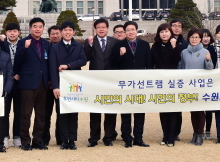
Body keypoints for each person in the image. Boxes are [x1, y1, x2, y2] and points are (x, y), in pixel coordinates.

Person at [48, 21, 87, 150]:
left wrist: (69, 65)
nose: (68, 32)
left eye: (70, 30)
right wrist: (55, 87)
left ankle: (72, 140)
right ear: (61, 32)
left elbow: (83, 60)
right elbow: (52, 68)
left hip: (75, 85)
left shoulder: (78, 45)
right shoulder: (55, 48)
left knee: (73, 113)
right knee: (62, 113)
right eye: (65, 30)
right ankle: (64, 140)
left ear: (74, 32)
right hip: (60, 85)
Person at [13, 18, 51, 151]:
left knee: (41, 114)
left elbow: (48, 63)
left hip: (43, 83)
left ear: (43, 29)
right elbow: (17, 61)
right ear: (30, 28)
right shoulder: (23, 42)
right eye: (35, 26)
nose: (38, 29)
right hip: (27, 83)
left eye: (40, 26)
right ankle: (25, 141)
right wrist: (25, 48)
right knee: (26, 114)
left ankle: (38, 140)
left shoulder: (46, 43)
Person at [114, 21, 152, 148]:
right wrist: (119, 55)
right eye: (128, 30)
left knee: (140, 112)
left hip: (140, 83)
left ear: (136, 30)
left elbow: (149, 65)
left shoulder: (145, 45)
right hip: (125, 84)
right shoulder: (118, 45)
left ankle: (139, 138)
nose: (130, 32)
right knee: (125, 112)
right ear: (124, 32)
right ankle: (127, 138)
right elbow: (114, 65)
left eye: (133, 29)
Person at [84, 18, 118, 147]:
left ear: (108, 28)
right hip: (95, 81)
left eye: (103, 27)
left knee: (110, 110)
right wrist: (90, 45)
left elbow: (118, 60)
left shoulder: (114, 41)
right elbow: (85, 58)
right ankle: (94, 138)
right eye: (98, 27)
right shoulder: (90, 41)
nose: (101, 29)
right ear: (95, 29)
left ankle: (108, 137)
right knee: (95, 110)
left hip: (110, 81)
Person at [178, 27, 213, 146]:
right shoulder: (184, 52)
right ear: (188, 38)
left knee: (200, 110)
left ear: (201, 39)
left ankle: (200, 135)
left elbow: (210, 69)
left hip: (201, 86)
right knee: (193, 111)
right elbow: (181, 67)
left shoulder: (205, 52)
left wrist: (208, 60)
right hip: (188, 86)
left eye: (197, 37)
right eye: (192, 37)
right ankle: (194, 134)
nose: (194, 39)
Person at [150, 23, 182, 146]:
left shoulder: (175, 45)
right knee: (163, 110)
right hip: (159, 82)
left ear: (171, 33)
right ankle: (164, 135)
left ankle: (171, 137)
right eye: (162, 32)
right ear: (159, 33)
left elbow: (176, 60)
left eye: (167, 31)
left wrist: (174, 46)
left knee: (172, 110)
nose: (164, 34)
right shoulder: (155, 46)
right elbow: (152, 63)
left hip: (172, 82)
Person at [0, 22, 22, 149]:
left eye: (14, 31)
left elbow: (27, 61)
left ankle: (17, 137)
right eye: (9, 31)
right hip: (5, 82)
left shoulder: (24, 44)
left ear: (18, 32)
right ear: (6, 33)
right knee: (5, 111)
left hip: (20, 82)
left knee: (19, 111)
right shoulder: (1, 45)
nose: (12, 33)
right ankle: (5, 136)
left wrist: (20, 73)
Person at [42, 25, 61, 147]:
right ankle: (44, 138)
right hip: (47, 86)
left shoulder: (64, 48)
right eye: (52, 34)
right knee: (45, 114)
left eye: (57, 33)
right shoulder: (45, 47)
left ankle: (60, 138)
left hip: (62, 85)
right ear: (49, 35)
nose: (55, 36)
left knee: (61, 113)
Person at [170, 19, 188, 141]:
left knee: (178, 107)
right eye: (174, 26)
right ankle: (168, 132)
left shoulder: (185, 43)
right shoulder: (165, 39)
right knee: (168, 106)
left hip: (181, 77)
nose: (176, 28)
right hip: (168, 77)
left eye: (179, 26)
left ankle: (176, 132)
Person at [201, 29, 215, 140]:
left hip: (211, 81)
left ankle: (208, 130)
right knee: (200, 107)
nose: (205, 38)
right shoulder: (197, 49)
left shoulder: (213, 48)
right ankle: (200, 130)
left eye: (207, 36)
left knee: (209, 108)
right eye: (203, 36)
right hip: (199, 82)